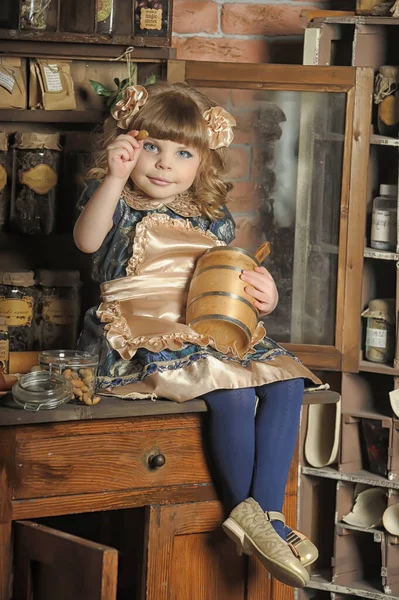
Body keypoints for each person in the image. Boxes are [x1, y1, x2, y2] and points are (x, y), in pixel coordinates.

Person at [74, 81, 322, 588]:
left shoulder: (210, 217)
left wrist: (263, 296)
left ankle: (267, 517)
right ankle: (247, 514)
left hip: (198, 322)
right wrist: (116, 179)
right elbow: (86, 240)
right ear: (127, 147)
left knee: (286, 381)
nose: (165, 164)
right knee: (229, 396)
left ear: (201, 161)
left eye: (182, 152)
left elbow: (225, 276)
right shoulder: (118, 201)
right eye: (151, 147)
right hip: (141, 324)